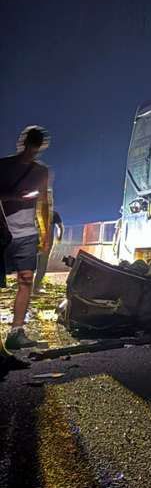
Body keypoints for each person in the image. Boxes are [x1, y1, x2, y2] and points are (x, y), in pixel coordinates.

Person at [0, 126, 53, 350]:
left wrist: (44, 233)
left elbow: (43, 204)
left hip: (27, 232)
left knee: (26, 279)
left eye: (36, 144)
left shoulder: (41, 172)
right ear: (23, 143)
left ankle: (16, 331)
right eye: (31, 143)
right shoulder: (3, 166)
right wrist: (14, 196)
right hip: (3, 230)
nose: (32, 148)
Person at [33, 209, 62, 295]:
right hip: (45, 243)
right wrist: (59, 238)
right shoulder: (53, 214)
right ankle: (35, 288)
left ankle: (29, 287)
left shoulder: (34, 213)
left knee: (30, 265)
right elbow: (60, 227)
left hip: (34, 242)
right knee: (42, 266)